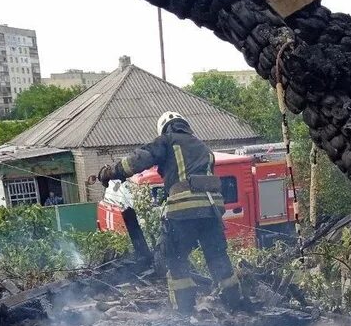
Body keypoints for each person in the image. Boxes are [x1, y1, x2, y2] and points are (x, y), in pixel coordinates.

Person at [96, 111, 248, 314]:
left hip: (182, 212)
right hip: (211, 213)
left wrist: (112, 172)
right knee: (218, 257)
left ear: (164, 128)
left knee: (176, 259)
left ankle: (185, 313)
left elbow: (140, 159)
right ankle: (235, 305)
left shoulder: (167, 141)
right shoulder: (203, 147)